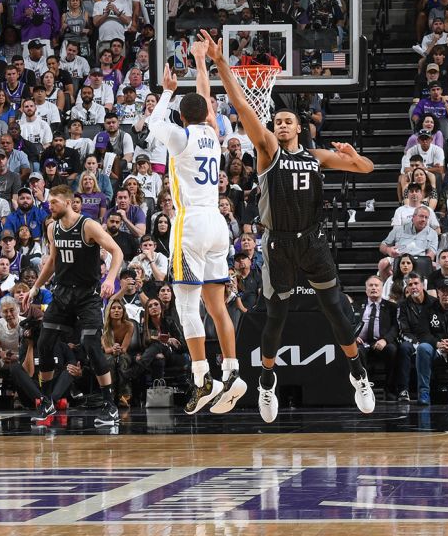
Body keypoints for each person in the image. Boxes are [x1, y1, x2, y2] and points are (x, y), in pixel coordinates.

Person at [210, 29, 378, 423]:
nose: (281, 125)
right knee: (276, 318)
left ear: (299, 128)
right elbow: (242, 105)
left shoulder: (316, 157)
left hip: (314, 242)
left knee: (336, 312)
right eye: (278, 121)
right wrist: (221, 64)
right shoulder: (267, 151)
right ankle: (267, 381)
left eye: (288, 122)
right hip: (278, 245)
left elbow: (368, 169)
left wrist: (355, 156)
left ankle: (359, 374)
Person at [145, 31, 245, 415]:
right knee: (217, 306)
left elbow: (155, 122)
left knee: (187, 308)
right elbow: (204, 99)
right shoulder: (213, 133)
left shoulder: (181, 136)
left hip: (188, 226)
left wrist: (167, 89)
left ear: (182, 116)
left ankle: (203, 377)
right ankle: (233, 372)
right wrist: (202, 62)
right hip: (218, 224)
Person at [27, 185, 124, 427]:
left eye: (54, 203)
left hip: (87, 295)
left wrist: (110, 278)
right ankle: (47, 400)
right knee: (44, 343)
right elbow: (52, 261)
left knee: (92, 345)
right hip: (62, 293)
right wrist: (36, 287)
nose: (50, 207)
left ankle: (110, 405)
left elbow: (117, 251)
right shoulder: (52, 228)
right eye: (49, 203)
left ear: (68, 203)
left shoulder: (88, 225)